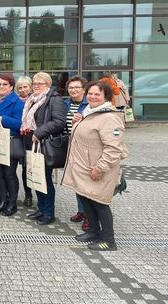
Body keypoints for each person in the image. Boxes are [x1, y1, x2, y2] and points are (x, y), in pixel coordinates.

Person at [62, 81, 129, 251]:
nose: (92, 97)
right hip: (85, 167)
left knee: (100, 202)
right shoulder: (88, 112)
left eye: (97, 94)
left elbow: (114, 148)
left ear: (105, 96)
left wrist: (100, 168)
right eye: (90, 94)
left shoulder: (110, 117)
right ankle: (93, 230)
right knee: (86, 198)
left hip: (98, 169)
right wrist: (77, 121)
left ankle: (108, 240)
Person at [21, 72, 66, 225]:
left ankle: (49, 213)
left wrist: (39, 133)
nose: (36, 86)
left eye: (40, 83)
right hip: (32, 143)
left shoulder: (54, 99)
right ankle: (41, 208)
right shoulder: (32, 100)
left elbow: (59, 122)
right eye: (34, 83)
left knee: (45, 179)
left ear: (48, 84)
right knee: (36, 178)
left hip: (44, 144)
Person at [0, 74, 25, 216]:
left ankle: (12, 202)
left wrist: (1, 119)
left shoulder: (17, 102)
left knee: (9, 174)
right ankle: (2, 200)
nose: (1, 87)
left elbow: (19, 123)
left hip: (9, 141)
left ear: (11, 86)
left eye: (5, 84)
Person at [64, 75, 90, 230]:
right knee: (76, 181)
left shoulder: (89, 105)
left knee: (85, 182)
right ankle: (81, 210)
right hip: (70, 145)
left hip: (84, 148)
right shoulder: (66, 103)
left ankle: (89, 215)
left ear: (84, 89)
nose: (73, 90)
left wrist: (82, 120)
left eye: (76, 87)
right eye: (71, 87)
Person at [15, 75, 34, 207]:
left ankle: (29, 194)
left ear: (30, 87)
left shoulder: (35, 101)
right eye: (20, 87)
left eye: (25, 87)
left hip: (30, 138)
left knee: (27, 168)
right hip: (17, 138)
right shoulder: (16, 101)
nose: (23, 90)